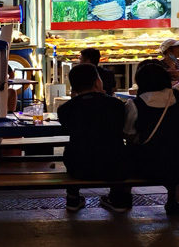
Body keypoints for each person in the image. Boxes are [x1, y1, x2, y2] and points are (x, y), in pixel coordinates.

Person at [58, 64, 131, 212]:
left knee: (73, 148)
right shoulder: (116, 105)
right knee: (118, 150)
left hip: (79, 166)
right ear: (97, 82)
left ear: (73, 87)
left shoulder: (65, 109)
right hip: (112, 166)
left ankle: (73, 197)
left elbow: (69, 129)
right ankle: (117, 198)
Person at [124, 64, 179, 215]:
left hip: (147, 165)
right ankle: (173, 200)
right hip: (176, 162)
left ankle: (123, 197)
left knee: (127, 151)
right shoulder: (177, 97)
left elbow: (129, 134)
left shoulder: (135, 105)